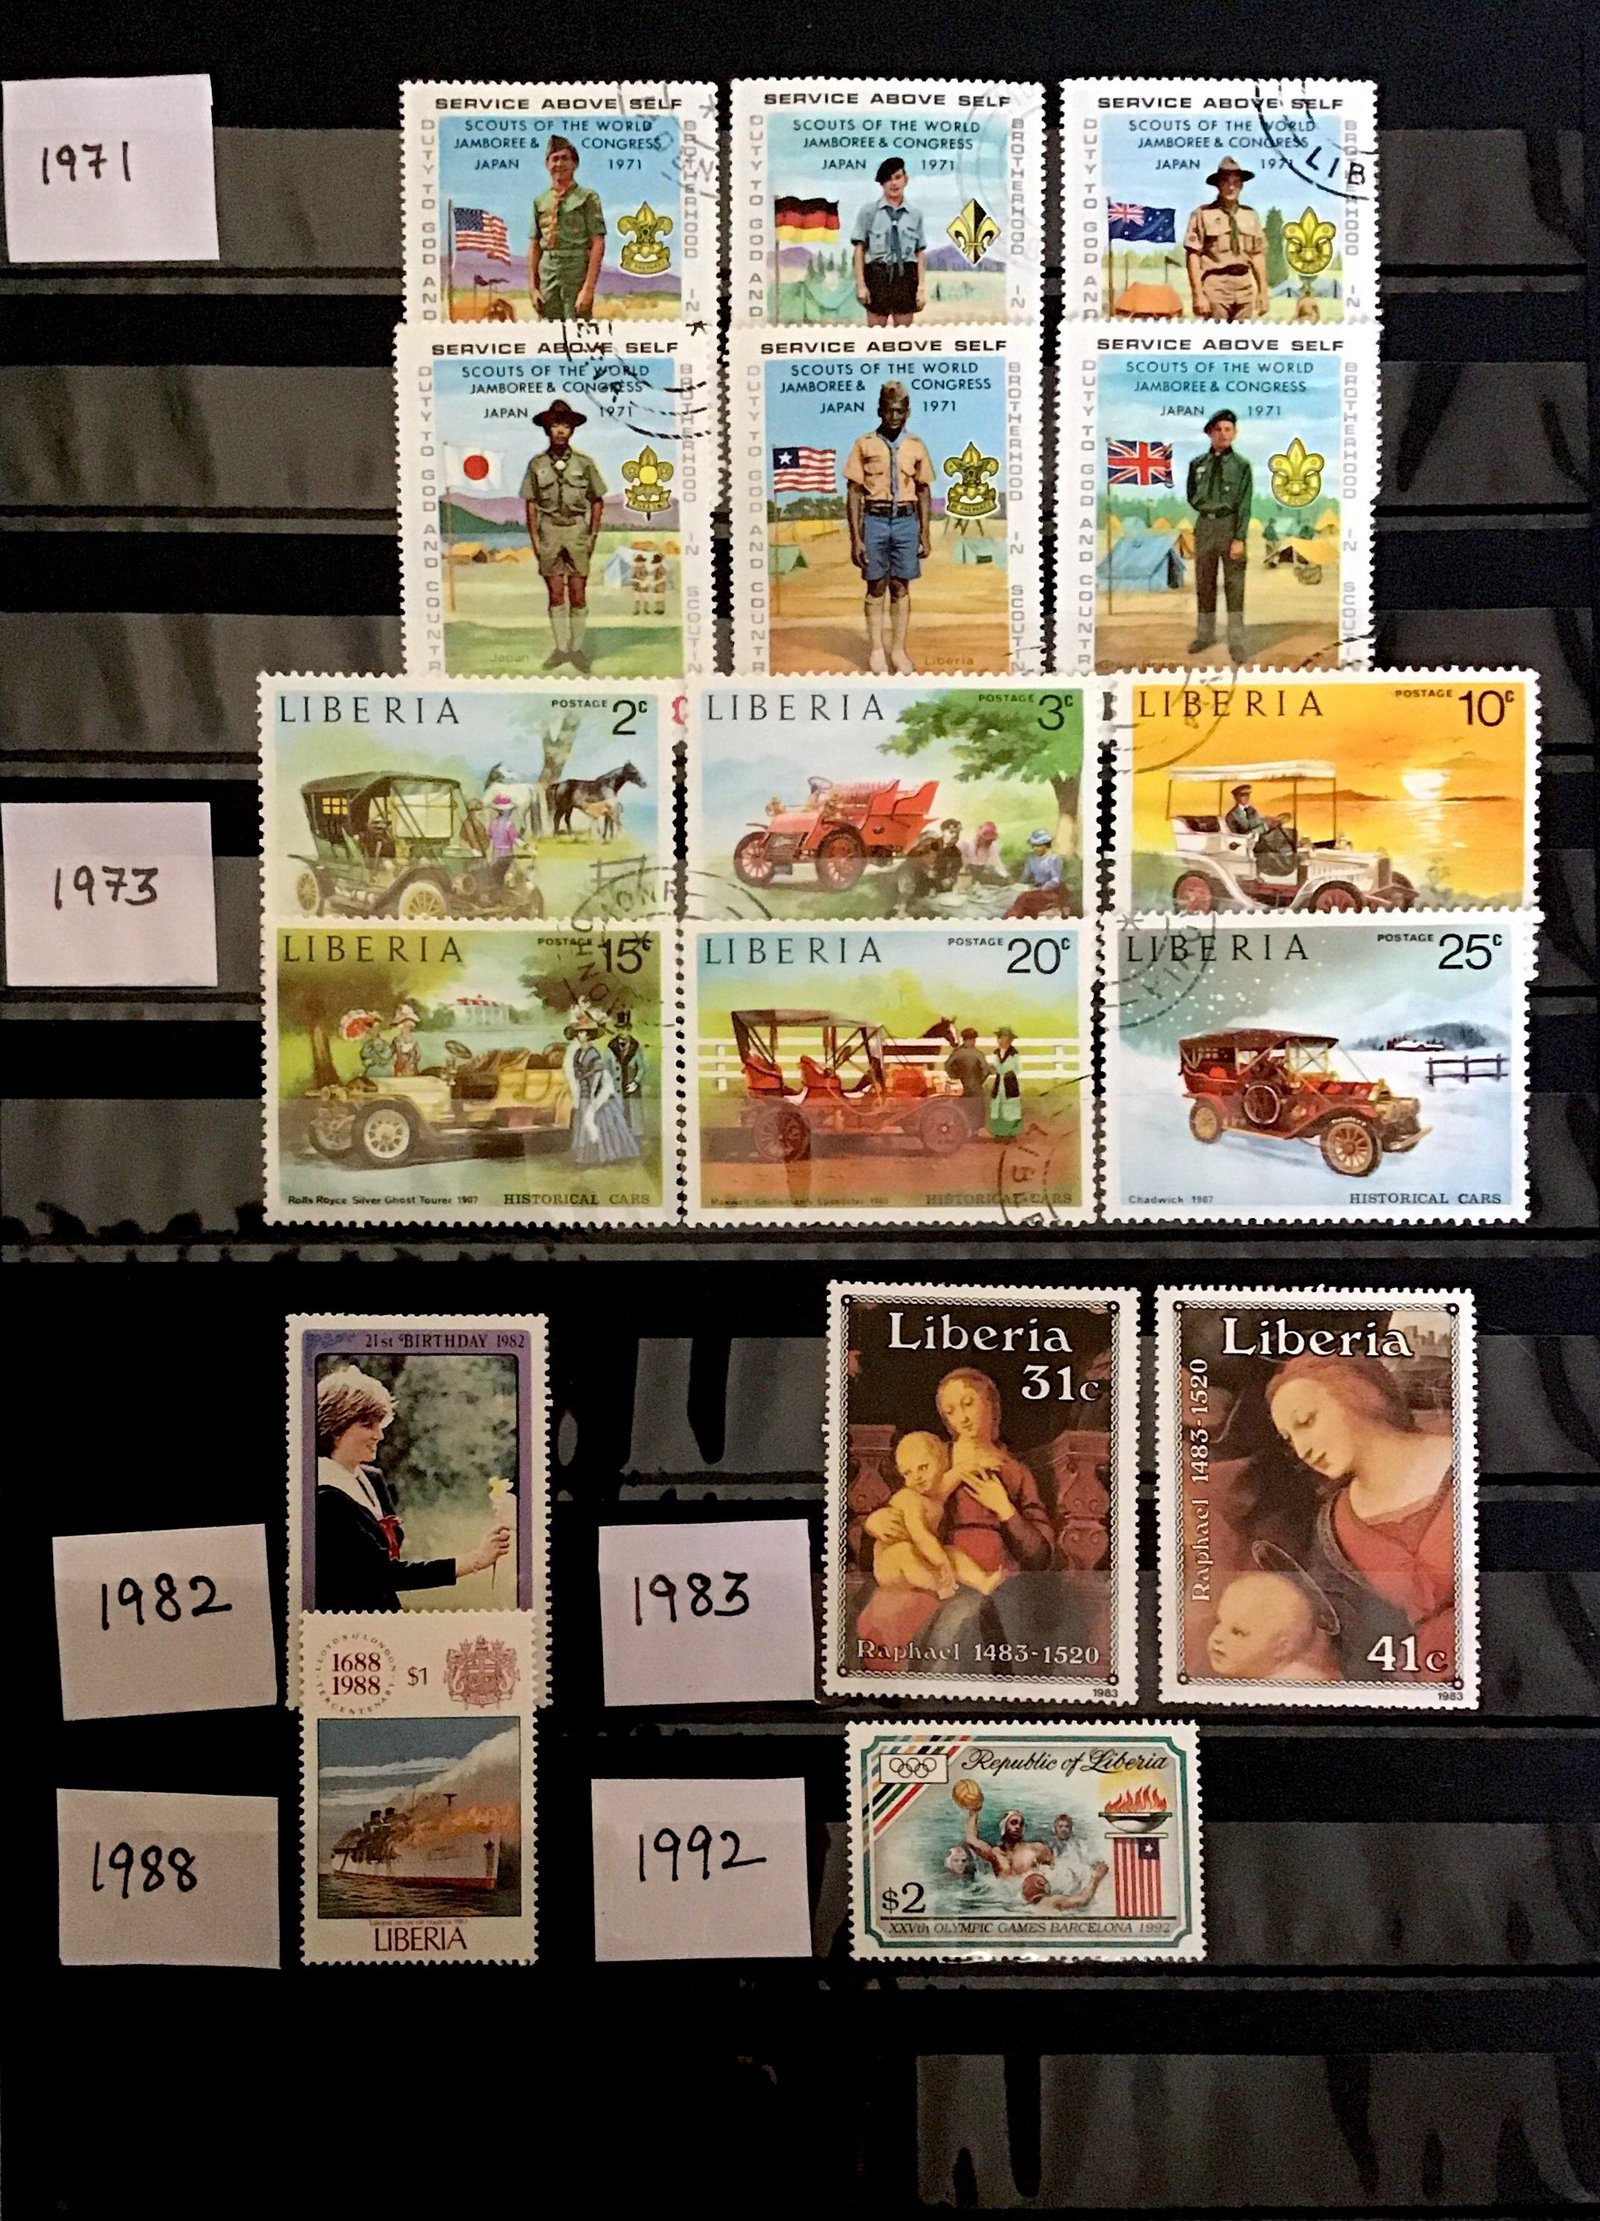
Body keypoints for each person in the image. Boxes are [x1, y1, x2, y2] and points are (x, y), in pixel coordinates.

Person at [1267, 1353, 1458, 1680]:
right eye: (1290, 1439)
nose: (1302, 1450)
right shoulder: (1334, 1527)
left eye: (1306, 1421)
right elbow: (1351, 1642)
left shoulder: (1467, 1462)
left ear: (1358, 1393)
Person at [313, 1366, 510, 1613]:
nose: (379, 1435)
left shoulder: (373, 1479)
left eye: (380, 1424)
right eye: (367, 1425)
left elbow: (391, 1557)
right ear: (336, 1429)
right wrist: (475, 1560)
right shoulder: (323, 1496)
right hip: (347, 1624)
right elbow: (385, 1574)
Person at [845, 380, 933, 677]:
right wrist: (856, 539)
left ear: (907, 412)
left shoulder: (916, 445)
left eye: (899, 411)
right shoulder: (865, 443)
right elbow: (854, 493)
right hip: (875, 520)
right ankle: (876, 651)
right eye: (888, 410)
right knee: (875, 585)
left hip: (906, 521)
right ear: (879, 411)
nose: (894, 416)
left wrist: (924, 534)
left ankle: (898, 650)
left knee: (900, 586)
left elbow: (923, 490)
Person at [932, 1364, 1054, 1579]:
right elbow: (910, 1515)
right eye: (950, 1411)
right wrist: (954, 1476)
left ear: (990, 1405)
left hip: (1004, 1580)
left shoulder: (1016, 1471)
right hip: (947, 1575)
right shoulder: (935, 1460)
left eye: (968, 1404)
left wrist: (1004, 1508)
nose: (962, 1417)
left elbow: (1040, 1557)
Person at [520, 399, 607, 675]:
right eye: (555, 425)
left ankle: (577, 650)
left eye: (566, 426)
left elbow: (597, 500)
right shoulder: (537, 465)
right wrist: (535, 539)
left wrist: (592, 535)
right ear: (547, 429)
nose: (560, 431)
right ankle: (561, 649)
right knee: (556, 593)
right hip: (549, 533)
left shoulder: (584, 464)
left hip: (576, 532)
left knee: (578, 593)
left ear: (572, 430)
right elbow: (531, 504)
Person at [864, 1429, 1002, 1600]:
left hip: (922, 1556)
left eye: (923, 1468)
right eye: (907, 1473)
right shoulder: (910, 1498)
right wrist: (942, 1563)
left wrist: (984, 1462)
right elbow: (921, 1536)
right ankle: (940, 1586)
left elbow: (959, 1471)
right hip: (892, 1566)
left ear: (942, 1463)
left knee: (952, 1552)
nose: (917, 1477)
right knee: (905, 1551)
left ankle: (983, 1582)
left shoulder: (936, 1492)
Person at [1186, 408, 1253, 660]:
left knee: (1234, 585)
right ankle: (1205, 635)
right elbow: (1191, 495)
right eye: (1218, 430)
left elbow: (1244, 504)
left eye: (1228, 429)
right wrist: (1206, 509)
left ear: (1234, 433)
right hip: (1205, 526)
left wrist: (1239, 537)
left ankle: (1236, 641)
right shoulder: (1197, 464)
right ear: (1210, 433)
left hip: (1229, 525)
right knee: (1205, 582)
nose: (1223, 434)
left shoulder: (1241, 466)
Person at [1205, 1568, 1342, 1682]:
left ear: (1281, 1647)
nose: (1218, 1637)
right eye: (1218, 1622)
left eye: (1238, 1632)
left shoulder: (1296, 1688)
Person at [529, 133, 604, 322]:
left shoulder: (587, 198)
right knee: (547, 330)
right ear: (547, 165)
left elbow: (598, 243)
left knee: (578, 328)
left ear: (574, 164)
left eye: (565, 158)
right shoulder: (540, 201)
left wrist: (588, 289)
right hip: (547, 273)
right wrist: (533, 287)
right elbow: (534, 245)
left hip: (576, 270)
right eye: (554, 159)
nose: (559, 164)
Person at [1184, 156, 1268, 322]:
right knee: (1216, 335)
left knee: (1242, 336)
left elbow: (1257, 255)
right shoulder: (1203, 214)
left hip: (1244, 286)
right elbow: (1193, 255)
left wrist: (1263, 292)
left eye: (1236, 182)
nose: (1231, 187)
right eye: (1225, 182)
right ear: (1218, 185)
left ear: (1241, 185)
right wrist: (1198, 294)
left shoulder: (1250, 216)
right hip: (1216, 286)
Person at [851, 156, 927, 327]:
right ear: (881, 184)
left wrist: (921, 288)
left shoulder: (915, 215)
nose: (893, 183)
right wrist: (861, 285)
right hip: (878, 276)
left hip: (905, 277)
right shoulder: (869, 212)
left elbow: (920, 252)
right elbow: (859, 250)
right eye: (888, 179)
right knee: (876, 334)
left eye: (897, 177)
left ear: (905, 180)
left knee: (904, 334)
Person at [563, 1006, 642, 1166]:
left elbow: (598, 1076)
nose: (580, 1035)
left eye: (583, 1032)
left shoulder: (594, 1053)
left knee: (599, 1122)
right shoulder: (578, 1053)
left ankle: (605, 1154)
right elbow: (577, 1074)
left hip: (597, 1092)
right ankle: (586, 1156)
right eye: (579, 1032)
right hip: (584, 1092)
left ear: (589, 1035)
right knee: (584, 1123)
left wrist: (593, 1097)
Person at [1006, 828, 1065, 918]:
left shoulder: (1054, 859)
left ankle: (1015, 916)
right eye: (1033, 846)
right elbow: (1026, 875)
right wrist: (1018, 884)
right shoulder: (1031, 858)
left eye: (1038, 846)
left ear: (1046, 845)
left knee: (1024, 897)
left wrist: (1043, 888)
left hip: (1050, 890)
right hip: (1035, 887)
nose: (1035, 848)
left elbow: (1056, 879)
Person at [608, 1010, 645, 1132]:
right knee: (618, 1116)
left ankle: (634, 1136)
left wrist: (636, 1082)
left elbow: (642, 1068)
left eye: (625, 1029)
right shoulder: (611, 1047)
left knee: (633, 1116)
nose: (622, 1032)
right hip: (616, 1087)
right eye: (620, 1029)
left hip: (631, 1086)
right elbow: (607, 1068)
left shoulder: (636, 1046)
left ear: (629, 1030)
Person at [944, 1026, 992, 1120]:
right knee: (976, 1109)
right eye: (972, 1040)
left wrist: (954, 1077)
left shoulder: (957, 1053)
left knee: (962, 1109)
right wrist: (980, 1080)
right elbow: (985, 1070)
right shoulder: (978, 1054)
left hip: (962, 1086)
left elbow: (947, 1065)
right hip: (974, 1086)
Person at [986, 1026, 1023, 1141]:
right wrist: (992, 1069)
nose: (1003, 1040)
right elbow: (992, 1066)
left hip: (1010, 1082)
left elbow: (1018, 1068)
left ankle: (1011, 1133)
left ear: (1010, 1040)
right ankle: (998, 1132)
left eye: (1006, 1038)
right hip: (999, 1082)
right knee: (997, 1106)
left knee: (1011, 1106)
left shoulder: (1014, 1054)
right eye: (1001, 1038)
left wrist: (1009, 1073)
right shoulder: (995, 1053)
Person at [959, 821, 1007, 885]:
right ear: (980, 837)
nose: (989, 843)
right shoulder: (966, 845)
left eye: (991, 840)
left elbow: (997, 864)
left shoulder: (992, 847)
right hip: (964, 875)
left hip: (981, 874)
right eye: (986, 840)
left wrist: (1005, 876)